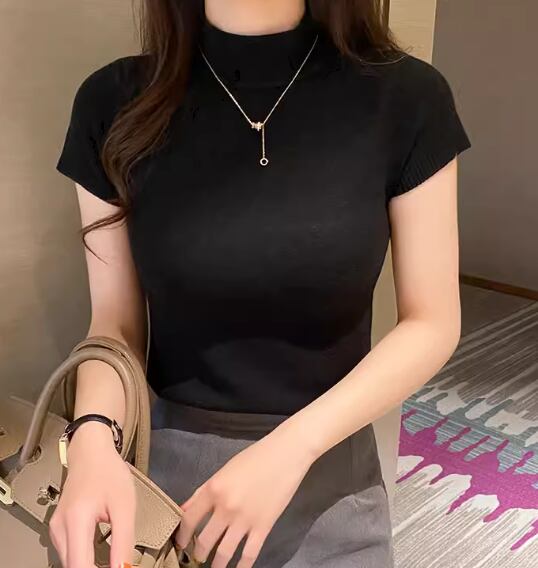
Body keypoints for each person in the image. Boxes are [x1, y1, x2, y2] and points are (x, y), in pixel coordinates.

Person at [51, 1, 471, 567]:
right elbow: (115, 324)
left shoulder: (407, 98)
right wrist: (93, 436)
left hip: (329, 478)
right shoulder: (113, 103)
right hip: (164, 491)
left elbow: (432, 322)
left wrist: (290, 450)